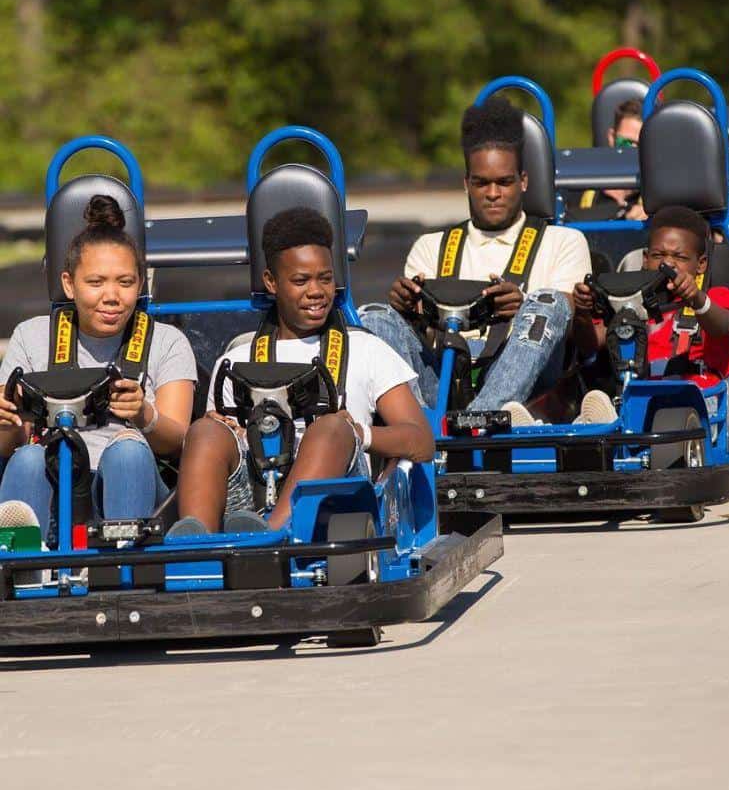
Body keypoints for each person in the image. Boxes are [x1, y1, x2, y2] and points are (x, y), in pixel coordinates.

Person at [172, 206, 434, 534]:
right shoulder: (236, 360)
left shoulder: (367, 349)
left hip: (337, 502)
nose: (316, 291)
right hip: (252, 499)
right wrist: (232, 431)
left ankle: (272, 539)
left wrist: (359, 433)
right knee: (204, 431)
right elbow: (221, 444)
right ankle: (197, 546)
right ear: (271, 282)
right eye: (300, 280)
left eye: (325, 278)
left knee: (331, 427)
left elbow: (422, 440)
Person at [360, 96, 591, 413]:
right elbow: (420, 340)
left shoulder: (563, 241)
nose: (493, 193)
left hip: (528, 384)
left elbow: (571, 324)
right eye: (482, 183)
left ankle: (483, 415)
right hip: (444, 382)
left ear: (523, 181)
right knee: (373, 314)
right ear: (467, 183)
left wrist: (522, 306)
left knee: (548, 302)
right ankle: (420, 423)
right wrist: (409, 312)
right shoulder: (431, 247)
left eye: (504, 182)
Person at [0, 194, 197, 542]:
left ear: (140, 284)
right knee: (29, 457)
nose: (111, 296)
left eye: (125, 282)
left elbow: (180, 440)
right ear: (69, 284)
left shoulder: (167, 341)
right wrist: (7, 419)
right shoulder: (31, 337)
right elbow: (7, 444)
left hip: (133, 480)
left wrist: (144, 414)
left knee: (127, 452)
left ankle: (124, 562)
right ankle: (26, 565)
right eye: (96, 282)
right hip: (54, 481)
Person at [565, 205, 729, 423]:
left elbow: (724, 326)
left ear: (700, 264)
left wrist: (696, 298)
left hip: (699, 406)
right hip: (639, 400)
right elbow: (591, 344)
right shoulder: (629, 300)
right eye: (658, 255)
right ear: (645, 259)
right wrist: (582, 312)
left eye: (680, 257)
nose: (667, 263)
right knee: (597, 407)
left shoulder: (715, 296)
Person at [575, 99, 647, 220]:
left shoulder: (660, 198)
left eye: (643, 145)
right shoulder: (578, 184)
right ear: (611, 138)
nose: (634, 151)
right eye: (626, 143)